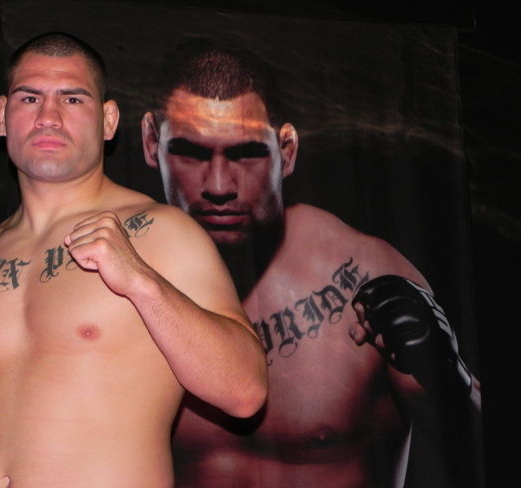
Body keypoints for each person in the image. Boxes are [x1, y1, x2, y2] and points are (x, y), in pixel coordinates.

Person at [0, 32, 268, 488]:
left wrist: (140, 281)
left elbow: (245, 393)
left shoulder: (160, 232)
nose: (48, 117)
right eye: (30, 98)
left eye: (72, 98)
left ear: (108, 121)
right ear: (2, 116)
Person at [141, 40, 481, 487]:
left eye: (247, 153)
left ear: (286, 151)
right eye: (191, 152)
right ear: (151, 143)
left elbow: (481, 447)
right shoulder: (124, 282)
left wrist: (449, 376)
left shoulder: (364, 272)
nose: (219, 186)